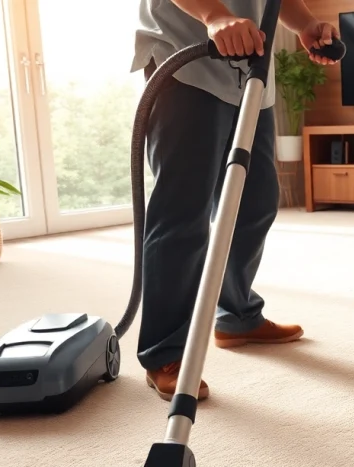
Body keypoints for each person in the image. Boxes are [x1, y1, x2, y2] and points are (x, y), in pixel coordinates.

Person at [131, 0, 339, 401]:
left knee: (256, 202)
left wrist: (307, 25)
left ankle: (236, 315)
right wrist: (215, 15)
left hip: (252, 77)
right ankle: (165, 353)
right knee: (182, 214)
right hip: (189, 60)